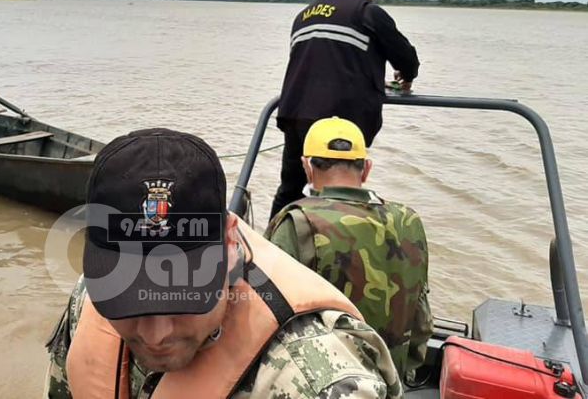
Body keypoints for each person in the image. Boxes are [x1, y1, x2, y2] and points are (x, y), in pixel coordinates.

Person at [45, 128, 402, 398]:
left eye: (186, 296)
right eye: (128, 301)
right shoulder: (89, 296)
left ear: (231, 242)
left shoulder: (315, 380)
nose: (156, 335)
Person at [265, 117, 432, 383]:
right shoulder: (409, 221)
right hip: (390, 381)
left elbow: (265, 321)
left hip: (322, 385)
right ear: (366, 169)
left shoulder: (297, 222)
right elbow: (421, 324)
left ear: (307, 167)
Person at [270, 0, 420, 220]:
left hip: (294, 111)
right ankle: (335, 241)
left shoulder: (304, 14)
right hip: (340, 120)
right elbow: (406, 57)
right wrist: (406, 77)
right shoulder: (367, 12)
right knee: (341, 192)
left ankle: (274, 238)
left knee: (290, 188)